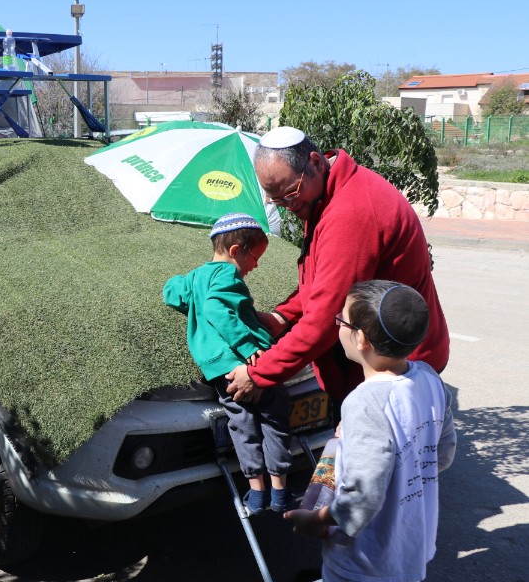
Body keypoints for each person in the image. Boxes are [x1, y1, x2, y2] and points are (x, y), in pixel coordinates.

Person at [226, 127, 449, 404]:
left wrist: (260, 373)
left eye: (290, 194)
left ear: (316, 163)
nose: (287, 206)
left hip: (398, 372)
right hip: (378, 362)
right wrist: (282, 317)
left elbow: (324, 319)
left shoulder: (350, 213)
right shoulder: (324, 193)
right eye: (275, 200)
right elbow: (324, 282)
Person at [284, 280, 456, 582]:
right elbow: (442, 455)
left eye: (341, 319)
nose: (338, 324)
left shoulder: (365, 403)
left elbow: (363, 495)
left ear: (360, 338)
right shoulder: (430, 379)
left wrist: (316, 521)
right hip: (411, 548)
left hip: (365, 562)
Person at [163, 213, 292, 514]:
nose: (256, 265)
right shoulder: (227, 274)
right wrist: (247, 345)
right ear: (236, 251)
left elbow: (172, 293)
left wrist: (183, 281)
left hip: (220, 370)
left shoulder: (198, 277)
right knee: (274, 420)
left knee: (243, 424)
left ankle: (256, 494)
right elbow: (215, 308)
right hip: (249, 360)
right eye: (255, 257)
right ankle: (280, 491)